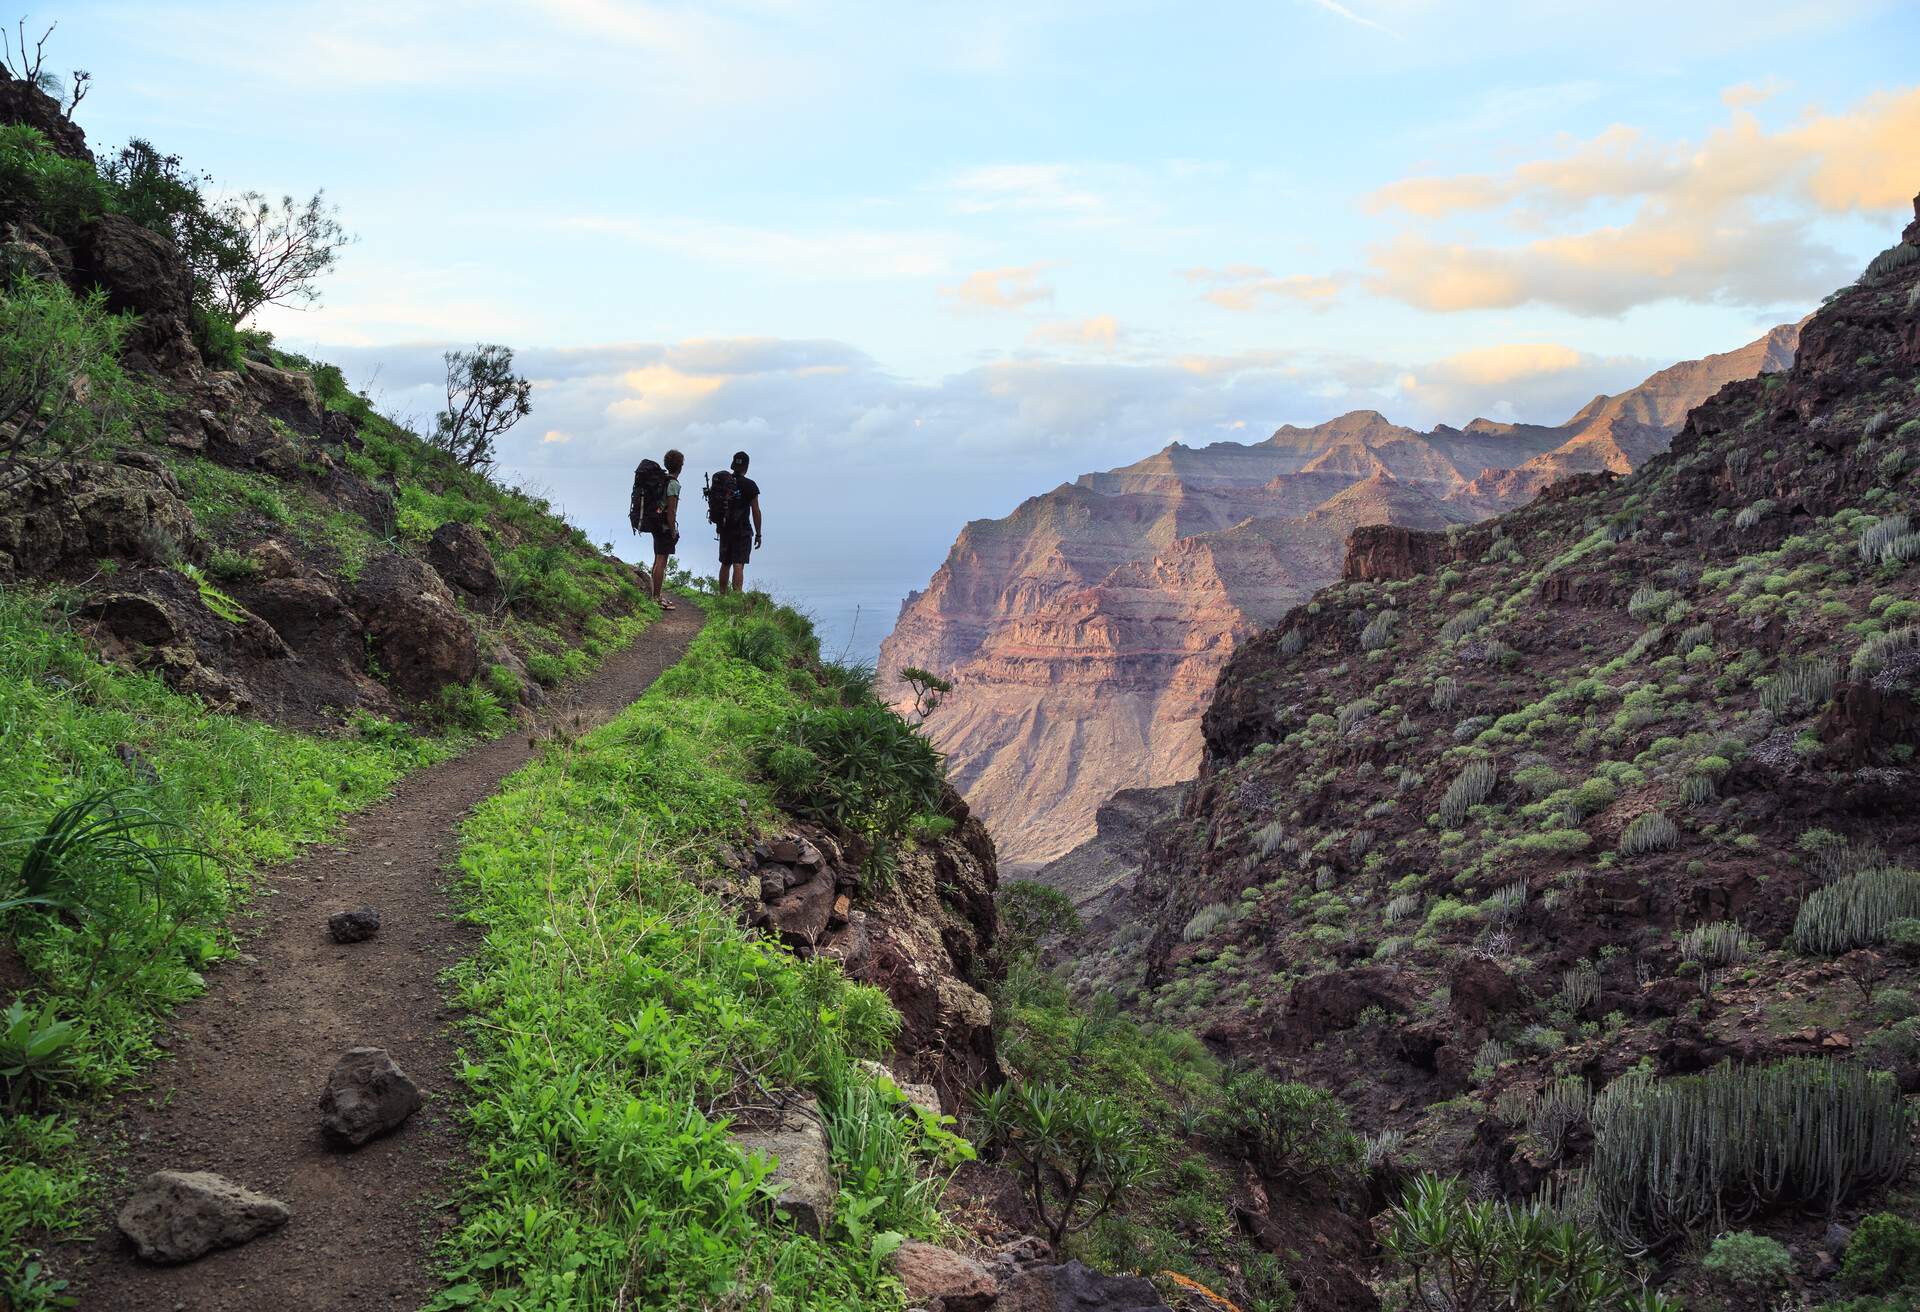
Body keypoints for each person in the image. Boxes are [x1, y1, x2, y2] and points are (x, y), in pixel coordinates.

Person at [629, 448, 684, 611]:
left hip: (655, 523)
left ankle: (656, 595)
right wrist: (672, 530)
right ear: (680, 466)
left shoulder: (663, 480)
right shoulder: (673, 484)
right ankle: (656, 598)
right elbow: (672, 510)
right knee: (662, 561)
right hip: (664, 526)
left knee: (657, 559)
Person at [713, 450, 762, 595]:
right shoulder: (750, 485)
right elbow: (756, 511)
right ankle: (736, 597)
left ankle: (722, 595)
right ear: (746, 467)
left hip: (724, 528)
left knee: (725, 563)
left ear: (733, 464)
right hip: (742, 530)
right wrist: (758, 534)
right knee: (738, 564)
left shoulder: (723, 483)